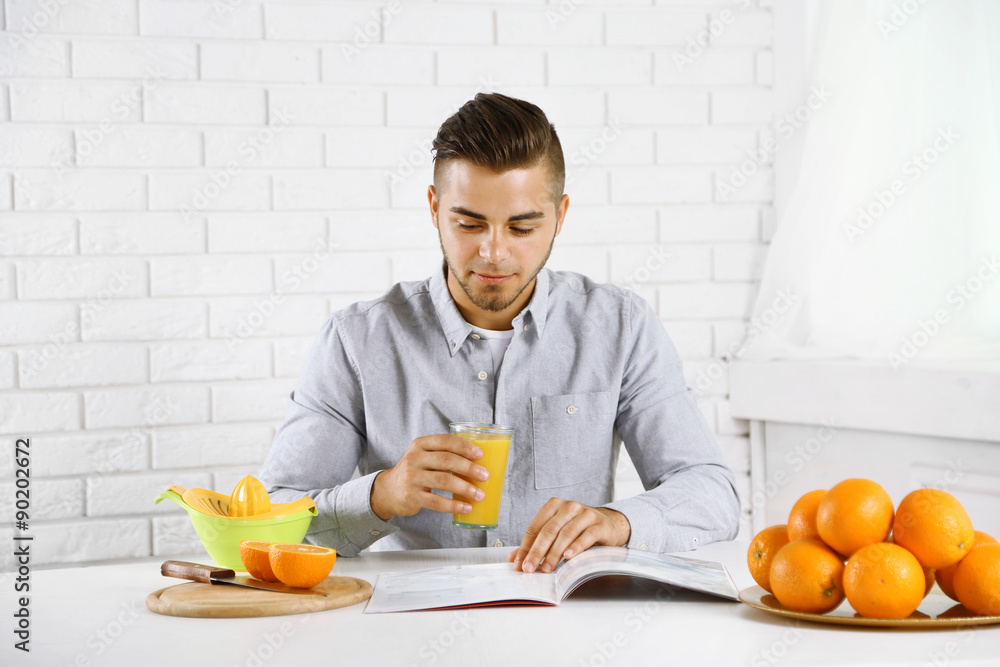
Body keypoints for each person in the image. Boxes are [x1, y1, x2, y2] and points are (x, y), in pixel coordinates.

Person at [258, 92, 739, 575]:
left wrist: (617, 523)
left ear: (560, 216)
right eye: (469, 223)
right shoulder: (356, 341)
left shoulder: (620, 326)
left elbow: (712, 494)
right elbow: (270, 519)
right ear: (434, 208)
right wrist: (381, 495)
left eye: (522, 228)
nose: (493, 252)